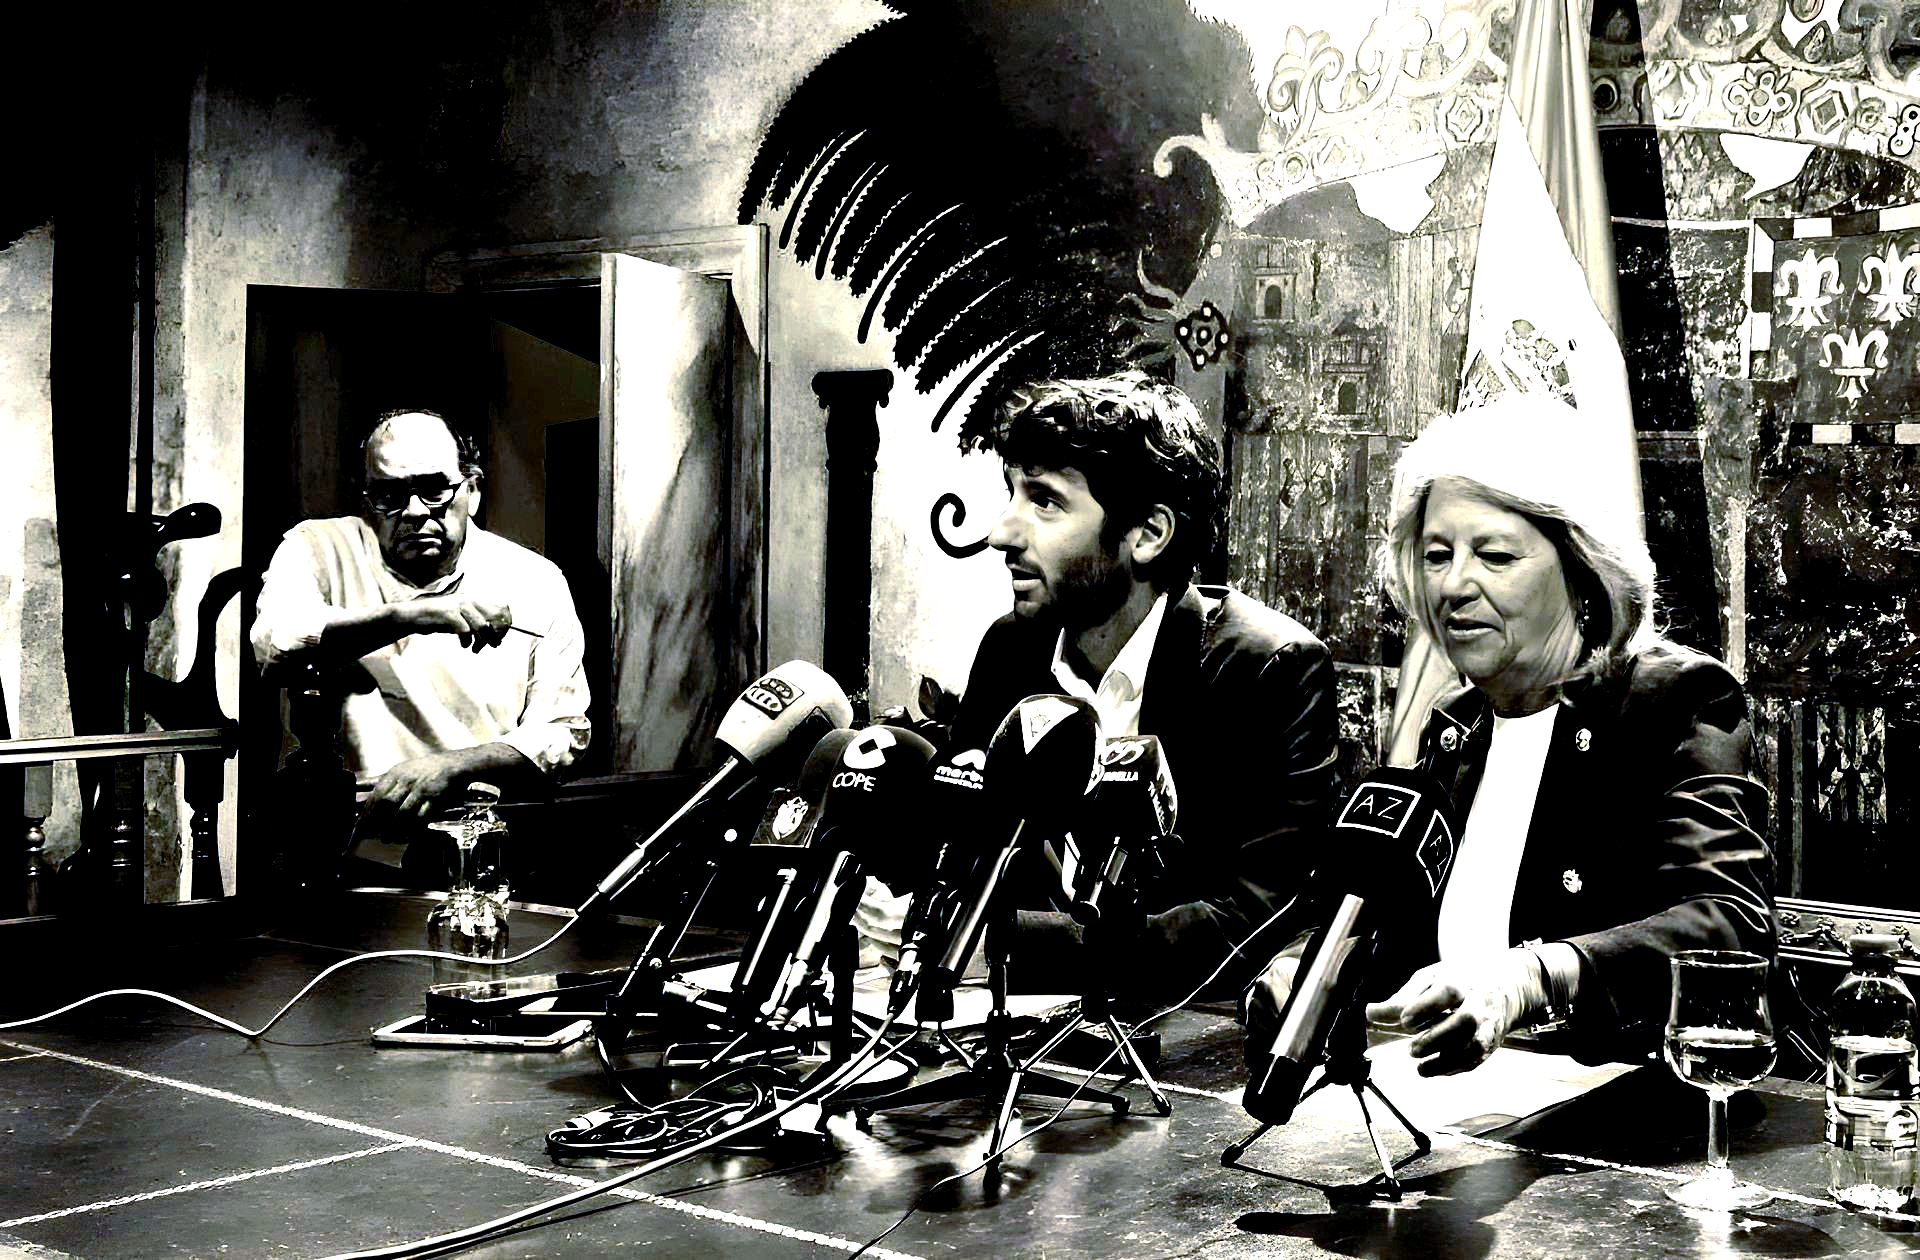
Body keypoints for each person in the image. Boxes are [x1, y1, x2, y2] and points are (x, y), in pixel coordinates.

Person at [1247, 394, 1775, 1076]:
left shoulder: (1674, 699)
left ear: (1582, 569)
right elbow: (1400, 938)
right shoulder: (1454, 729)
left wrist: (1533, 977)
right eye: (1437, 555)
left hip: (1632, 1115)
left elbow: (1729, 925)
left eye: (1494, 556)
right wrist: (1307, 971)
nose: (1454, 585)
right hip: (1460, 1121)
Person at [928, 371, 1336, 999]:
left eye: (1045, 501)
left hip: (1185, 1046)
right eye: (1012, 494)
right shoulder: (1011, 650)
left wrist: (1011, 945)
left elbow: (1251, 924)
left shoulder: (1269, 670)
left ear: (1147, 534)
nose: (1002, 533)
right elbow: (962, 861)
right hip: (1003, 1038)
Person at [251, 409, 591, 830]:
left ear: (473, 490)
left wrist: (452, 767)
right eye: (389, 494)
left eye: (434, 490)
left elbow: (562, 732)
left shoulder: (533, 578)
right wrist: (413, 615)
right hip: (341, 829)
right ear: (367, 499)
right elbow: (275, 644)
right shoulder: (318, 547)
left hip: (481, 828)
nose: (413, 511)